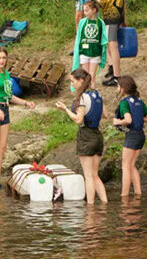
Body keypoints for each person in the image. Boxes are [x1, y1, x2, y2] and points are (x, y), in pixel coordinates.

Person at [0, 47, 35, 189]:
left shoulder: (6, 75)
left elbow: (10, 96)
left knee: (2, 150)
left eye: (4, 58)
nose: (2, 61)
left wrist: (25, 103)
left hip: (5, 110)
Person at [55, 69, 108, 204]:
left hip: (86, 136)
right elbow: (105, 115)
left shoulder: (83, 97)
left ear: (81, 81)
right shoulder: (97, 94)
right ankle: (105, 204)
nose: (72, 84)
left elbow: (79, 120)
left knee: (88, 176)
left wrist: (66, 109)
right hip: (98, 135)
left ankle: (90, 208)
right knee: (95, 175)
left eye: (73, 81)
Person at [111, 76, 147, 197]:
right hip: (140, 135)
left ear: (123, 89)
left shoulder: (124, 102)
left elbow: (128, 120)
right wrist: (139, 119)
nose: (116, 89)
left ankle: (124, 196)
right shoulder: (139, 100)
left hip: (132, 136)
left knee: (125, 166)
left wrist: (117, 122)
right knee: (132, 165)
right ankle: (138, 193)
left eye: (118, 86)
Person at [71, 0, 109, 88]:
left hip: (95, 53)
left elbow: (104, 38)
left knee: (92, 77)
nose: (84, 13)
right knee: (85, 77)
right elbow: (78, 37)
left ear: (94, 10)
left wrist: (103, 48)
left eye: (87, 11)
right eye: (84, 10)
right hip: (84, 52)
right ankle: (85, 95)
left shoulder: (100, 22)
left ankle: (93, 95)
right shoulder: (82, 22)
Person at [97, 0, 126, 87]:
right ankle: (112, 67)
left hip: (111, 19)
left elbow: (98, 2)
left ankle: (117, 77)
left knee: (113, 45)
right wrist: (124, 19)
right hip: (118, 17)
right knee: (108, 45)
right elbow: (123, 1)